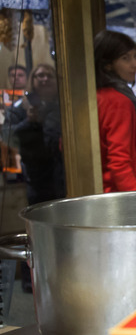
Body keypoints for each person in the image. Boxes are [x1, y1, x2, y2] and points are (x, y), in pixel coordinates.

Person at [4, 63, 65, 293]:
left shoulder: (63, 105)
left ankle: (61, 279)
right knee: (38, 235)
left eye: (49, 74)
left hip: (63, 176)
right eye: (39, 75)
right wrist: (29, 121)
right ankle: (34, 283)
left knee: (61, 232)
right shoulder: (21, 107)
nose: (44, 79)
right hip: (37, 179)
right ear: (33, 80)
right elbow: (9, 138)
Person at [94, 30, 136, 192]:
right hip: (117, 196)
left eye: (134, 56)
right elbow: (119, 162)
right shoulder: (117, 101)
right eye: (125, 58)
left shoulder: (94, 96)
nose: (135, 64)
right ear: (107, 64)